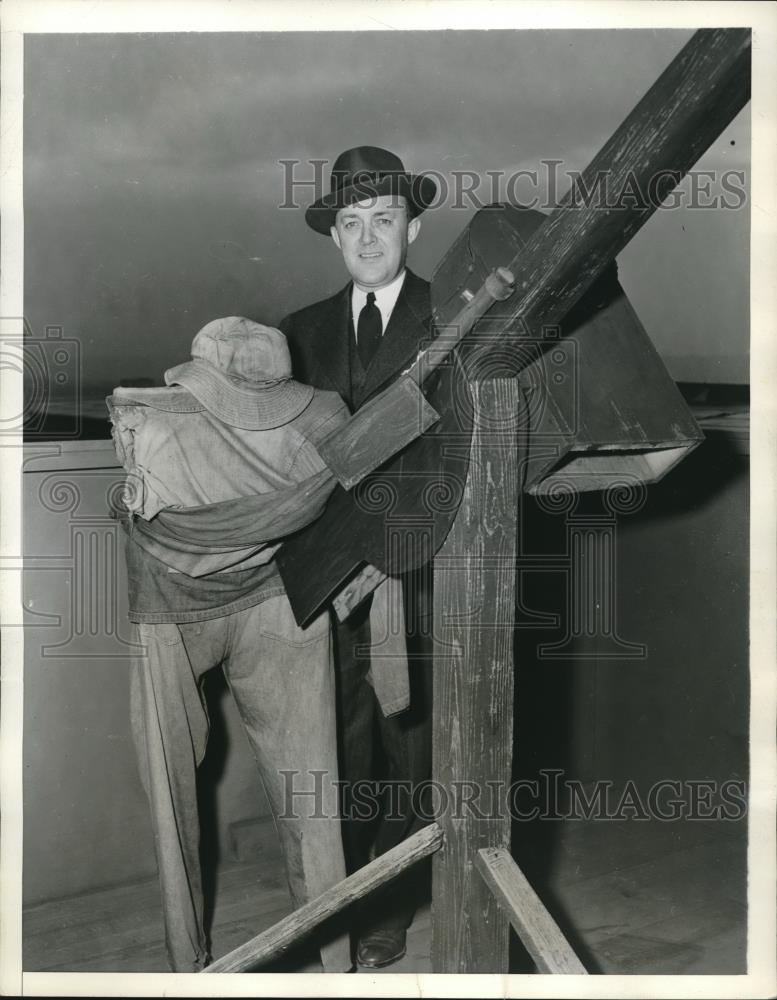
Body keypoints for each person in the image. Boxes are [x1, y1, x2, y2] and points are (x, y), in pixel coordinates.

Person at [107, 317, 352, 973]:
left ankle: (193, 966)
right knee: (311, 790)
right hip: (250, 597)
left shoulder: (147, 424)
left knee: (177, 795)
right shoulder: (325, 422)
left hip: (214, 599)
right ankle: (331, 964)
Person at [280, 146, 439, 969]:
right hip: (324, 585)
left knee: (410, 748)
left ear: (413, 225)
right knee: (338, 748)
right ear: (333, 237)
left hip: (419, 576)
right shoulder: (296, 334)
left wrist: (390, 554)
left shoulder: (456, 319)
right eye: (352, 222)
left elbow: (460, 457)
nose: (369, 237)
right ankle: (337, 900)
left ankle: (386, 909)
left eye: (385, 219)